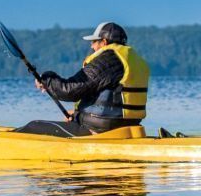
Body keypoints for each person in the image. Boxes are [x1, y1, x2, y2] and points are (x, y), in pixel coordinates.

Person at [18, 22, 150, 137]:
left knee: (33, 126)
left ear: (104, 42)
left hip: (100, 131)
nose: (91, 46)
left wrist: (48, 79)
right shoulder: (132, 59)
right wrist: (77, 114)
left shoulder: (107, 60)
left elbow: (70, 90)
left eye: (93, 42)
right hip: (128, 127)